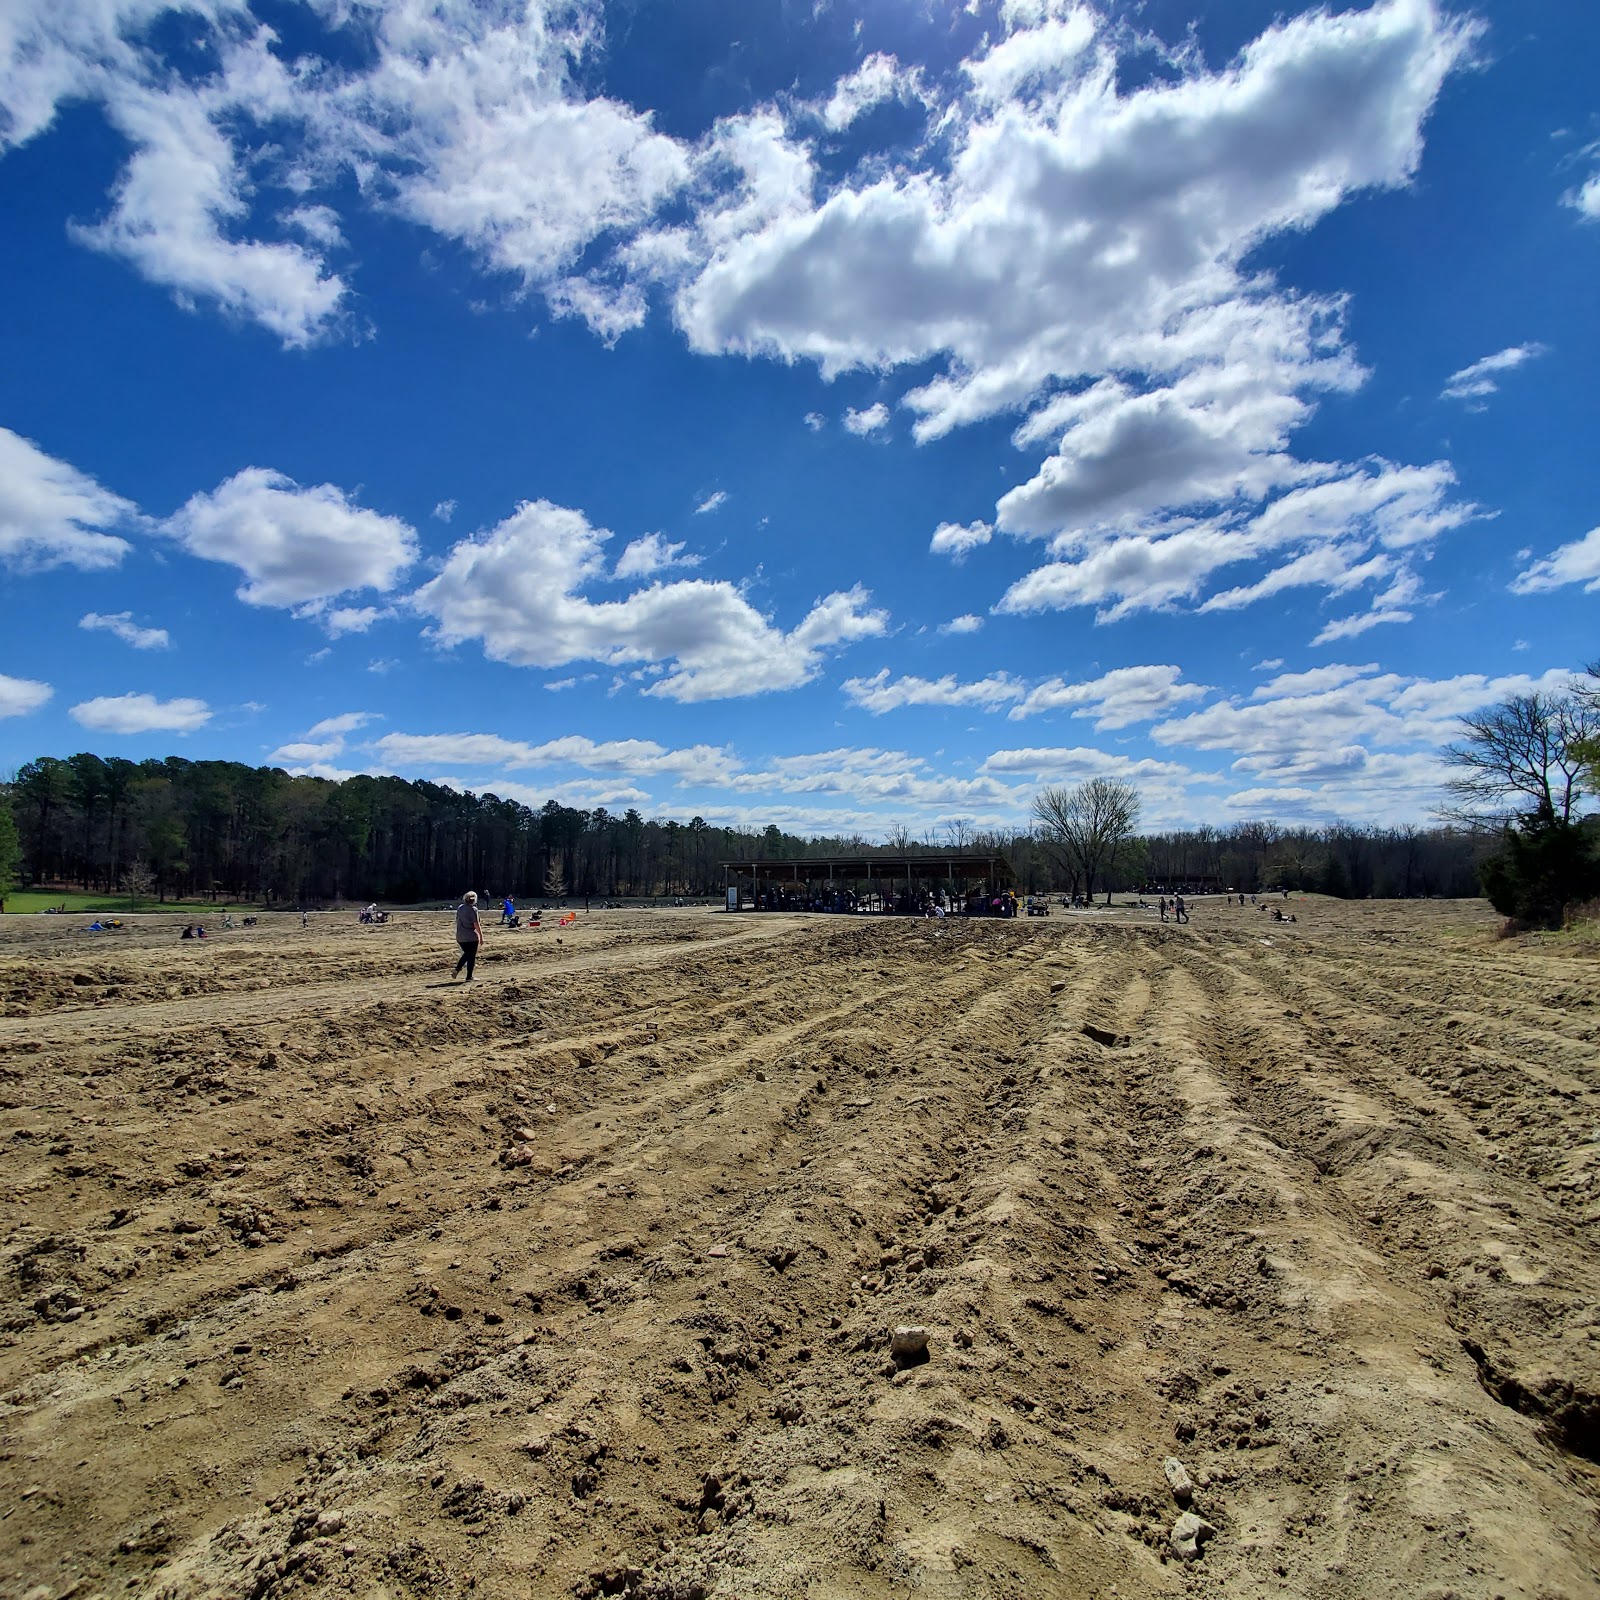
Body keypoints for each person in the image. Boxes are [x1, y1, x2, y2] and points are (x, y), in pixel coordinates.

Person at [453, 891, 483, 982]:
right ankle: (468, 976)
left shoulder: (460, 908)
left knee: (467, 954)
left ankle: (458, 969)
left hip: (460, 936)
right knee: (471, 956)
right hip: (471, 936)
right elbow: (476, 924)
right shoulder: (473, 909)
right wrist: (481, 936)